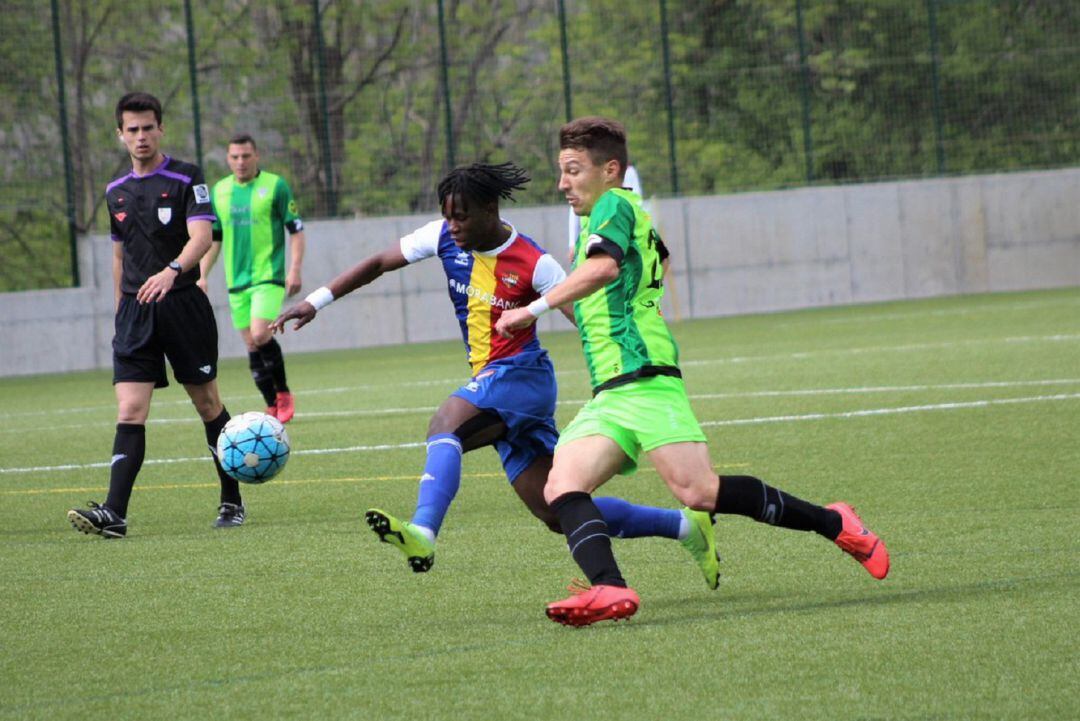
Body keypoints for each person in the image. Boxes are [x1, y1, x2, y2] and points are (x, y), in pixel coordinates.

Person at [496, 117, 890, 626]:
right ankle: (609, 588)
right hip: (611, 393)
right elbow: (629, 274)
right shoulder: (610, 219)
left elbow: (607, 268)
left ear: (610, 170)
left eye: (573, 170)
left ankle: (835, 523)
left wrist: (532, 310)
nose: (562, 184)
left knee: (698, 492)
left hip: (644, 378)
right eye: (561, 171)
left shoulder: (614, 205)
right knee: (561, 488)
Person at [271, 162, 720, 586]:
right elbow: (377, 264)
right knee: (554, 508)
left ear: (490, 209)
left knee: (445, 424)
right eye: (448, 217)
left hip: (522, 375)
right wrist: (314, 302)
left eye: (461, 217)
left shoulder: (534, 262)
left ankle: (423, 531)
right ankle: (685, 527)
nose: (453, 226)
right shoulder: (442, 237)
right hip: (497, 384)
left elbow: (584, 317)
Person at [67, 91, 246, 537]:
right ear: (120, 134)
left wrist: (172, 271)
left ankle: (232, 500)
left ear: (160, 129)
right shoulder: (115, 192)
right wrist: (120, 311)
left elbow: (201, 237)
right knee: (130, 409)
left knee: (207, 403)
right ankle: (114, 513)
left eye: (148, 127)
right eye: (133, 129)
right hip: (135, 314)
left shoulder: (187, 177)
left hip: (182, 304)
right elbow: (118, 257)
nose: (141, 136)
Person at [199, 134, 306, 423]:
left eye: (246, 156)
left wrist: (295, 269)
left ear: (256, 156)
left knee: (260, 334)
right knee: (251, 345)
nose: (240, 162)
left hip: (268, 275)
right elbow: (215, 238)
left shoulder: (275, 186)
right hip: (236, 281)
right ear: (227, 159)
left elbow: (296, 231)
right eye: (235, 157)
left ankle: (283, 392)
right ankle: (271, 404)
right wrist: (202, 274)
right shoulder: (220, 191)